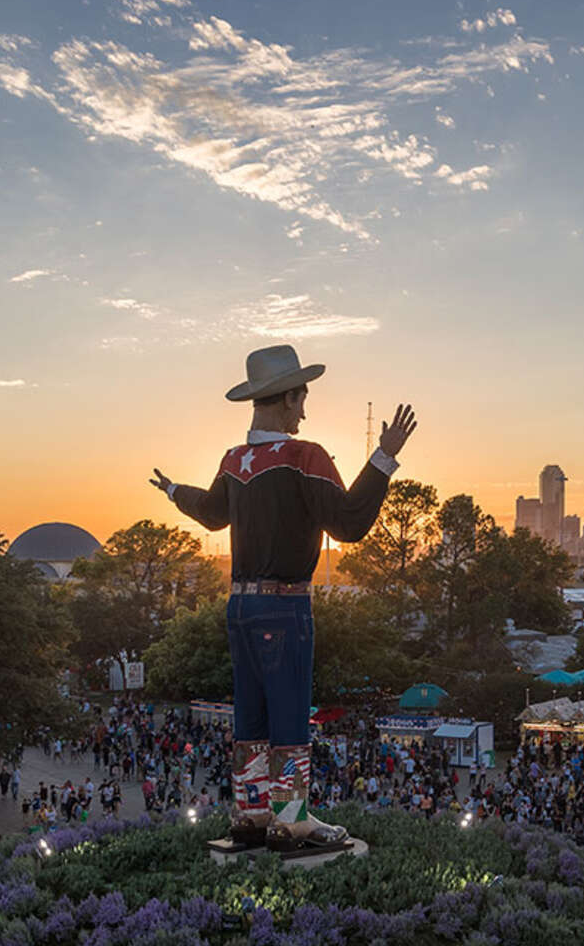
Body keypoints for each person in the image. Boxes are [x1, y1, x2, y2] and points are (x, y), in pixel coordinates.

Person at [153, 344, 416, 852]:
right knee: (291, 711)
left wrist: (171, 491)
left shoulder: (235, 461)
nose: (305, 410)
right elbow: (349, 522)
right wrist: (384, 457)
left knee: (250, 713)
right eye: (302, 399)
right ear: (286, 396)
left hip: (239, 608)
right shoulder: (303, 456)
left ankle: (250, 815)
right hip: (285, 605)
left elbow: (210, 512)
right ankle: (291, 821)